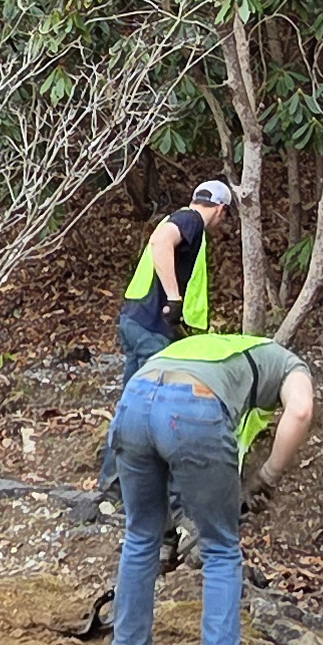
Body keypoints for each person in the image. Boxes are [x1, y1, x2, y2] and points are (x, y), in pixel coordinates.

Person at [108, 331, 315, 645]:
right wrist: (266, 477)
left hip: (134, 401)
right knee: (221, 548)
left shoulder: (221, 348)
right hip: (195, 408)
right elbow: (301, 411)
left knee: (140, 533)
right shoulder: (290, 365)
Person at [95, 180, 232, 494]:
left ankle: (113, 481)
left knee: (132, 406)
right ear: (221, 211)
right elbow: (160, 243)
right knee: (156, 409)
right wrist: (173, 298)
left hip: (135, 321)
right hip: (151, 330)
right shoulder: (191, 220)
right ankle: (151, 488)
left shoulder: (185, 217)